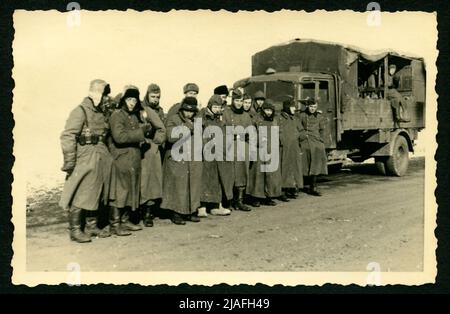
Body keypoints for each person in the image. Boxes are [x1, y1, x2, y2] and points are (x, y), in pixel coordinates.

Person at [59, 79, 114, 243]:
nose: (106, 98)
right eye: (104, 95)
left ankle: (91, 226)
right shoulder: (80, 111)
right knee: (81, 191)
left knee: (96, 191)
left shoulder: (100, 112)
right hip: (86, 156)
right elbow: (67, 135)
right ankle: (75, 229)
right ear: (97, 94)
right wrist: (70, 160)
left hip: (100, 155)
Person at [109, 86, 152, 234]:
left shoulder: (133, 116)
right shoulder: (117, 115)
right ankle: (115, 224)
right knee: (120, 191)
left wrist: (145, 130)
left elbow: (132, 133)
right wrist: (141, 132)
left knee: (131, 190)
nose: (132, 103)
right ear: (123, 100)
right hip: (121, 158)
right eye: (129, 99)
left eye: (134, 99)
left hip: (133, 158)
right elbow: (119, 137)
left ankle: (125, 221)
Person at [161, 97, 203, 225]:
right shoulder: (174, 119)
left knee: (193, 185)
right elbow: (169, 136)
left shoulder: (198, 120)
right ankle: (177, 212)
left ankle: (191, 211)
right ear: (182, 109)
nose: (189, 113)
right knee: (178, 186)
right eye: (186, 111)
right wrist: (186, 127)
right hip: (177, 157)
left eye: (191, 111)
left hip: (192, 157)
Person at [198, 94, 234, 217]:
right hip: (206, 152)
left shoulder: (220, 119)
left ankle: (215, 206)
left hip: (218, 153)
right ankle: (201, 207)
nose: (217, 109)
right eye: (215, 107)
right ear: (210, 106)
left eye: (219, 107)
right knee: (204, 180)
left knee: (217, 179)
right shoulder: (202, 116)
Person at [139, 83, 167, 227]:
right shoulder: (142, 108)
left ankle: (149, 212)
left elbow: (162, 129)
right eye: (153, 96)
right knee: (144, 180)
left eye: (157, 97)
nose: (155, 99)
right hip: (141, 147)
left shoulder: (159, 111)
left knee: (151, 180)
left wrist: (156, 142)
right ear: (147, 95)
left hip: (152, 149)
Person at [247, 99, 283, 206]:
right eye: (266, 110)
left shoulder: (275, 121)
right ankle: (255, 197)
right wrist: (258, 141)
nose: (268, 112)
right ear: (263, 110)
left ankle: (268, 196)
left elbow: (279, 133)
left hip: (271, 151)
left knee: (270, 175)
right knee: (258, 175)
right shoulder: (257, 120)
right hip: (259, 151)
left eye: (270, 111)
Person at [222, 89, 253, 211]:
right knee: (230, 173)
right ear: (232, 100)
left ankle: (239, 200)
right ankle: (228, 200)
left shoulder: (246, 115)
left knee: (241, 173)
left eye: (241, 101)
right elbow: (222, 128)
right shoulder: (226, 112)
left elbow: (251, 132)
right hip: (229, 146)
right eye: (237, 100)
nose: (239, 103)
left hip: (243, 146)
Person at [297, 98, 328, 196]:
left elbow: (322, 129)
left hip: (316, 141)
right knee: (303, 162)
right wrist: (302, 137)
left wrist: (321, 140)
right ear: (307, 106)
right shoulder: (302, 115)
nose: (312, 109)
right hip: (305, 140)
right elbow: (298, 128)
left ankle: (313, 186)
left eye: (314, 107)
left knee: (316, 162)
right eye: (311, 107)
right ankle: (298, 185)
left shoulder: (319, 116)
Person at [277, 99, 304, 199]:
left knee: (295, 167)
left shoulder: (295, 119)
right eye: (292, 107)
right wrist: (281, 141)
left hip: (295, 147)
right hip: (284, 147)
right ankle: (283, 189)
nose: (294, 109)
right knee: (284, 168)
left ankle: (293, 187)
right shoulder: (279, 118)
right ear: (287, 107)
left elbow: (301, 130)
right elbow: (277, 131)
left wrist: (301, 136)